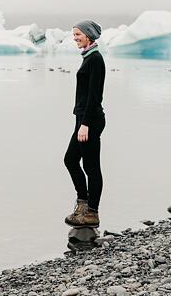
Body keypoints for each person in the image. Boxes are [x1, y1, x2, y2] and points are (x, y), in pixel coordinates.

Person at [63, 20, 106, 228]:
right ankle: (82, 204)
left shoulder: (95, 59)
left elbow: (94, 96)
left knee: (91, 167)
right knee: (71, 160)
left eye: (78, 34)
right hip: (83, 119)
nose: (75, 38)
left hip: (90, 121)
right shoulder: (88, 58)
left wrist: (86, 124)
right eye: (74, 35)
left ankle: (91, 213)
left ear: (89, 35)